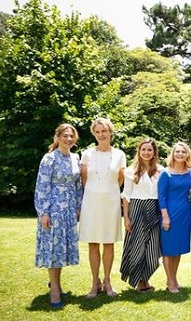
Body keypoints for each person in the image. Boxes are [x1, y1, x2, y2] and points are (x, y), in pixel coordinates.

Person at [34, 124, 83, 308]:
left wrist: (78, 206)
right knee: (53, 247)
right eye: (65, 136)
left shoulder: (75, 158)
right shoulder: (49, 159)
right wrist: (43, 212)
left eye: (71, 136)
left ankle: (56, 282)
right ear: (57, 137)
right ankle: (54, 288)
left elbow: (78, 185)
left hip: (69, 209)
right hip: (53, 209)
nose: (68, 139)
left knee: (61, 248)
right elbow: (42, 185)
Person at [79, 118, 126, 298]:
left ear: (110, 132)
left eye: (104, 131)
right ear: (94, 133)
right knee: (92, 243)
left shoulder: (120, 154)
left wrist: (108, 192)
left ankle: (107, 281)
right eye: (97, 132)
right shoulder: (87, 154)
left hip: (111, 203)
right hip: (91, 202)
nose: (101, 135)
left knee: (108, 243)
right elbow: (84, 180)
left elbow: (120, 180)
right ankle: (94, 283)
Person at [120, 138, 163, 292]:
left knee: (152, 248)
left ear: (154, 152)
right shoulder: (130, 170)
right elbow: (126, 195)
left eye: (149, 150)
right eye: (143, 149)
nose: (146, 152)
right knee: (138, 246)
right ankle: (139, 281)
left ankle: (146, 278)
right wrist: (126, 217)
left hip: (154, 208)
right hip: (137, 208)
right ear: (139, 151)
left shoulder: (161, 170)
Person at [158, 142, 191, 293]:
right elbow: (161, 196)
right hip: (169, 213)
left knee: (178, 248)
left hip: (185, 214)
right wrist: (165, 217)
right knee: (168, 249)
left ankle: (174, 278)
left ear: (187, 154)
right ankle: (169, 281)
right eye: (177, 152)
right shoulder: (166, 173)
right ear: (173, 154)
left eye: (183, 152)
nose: (180, 154)